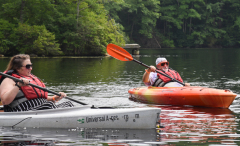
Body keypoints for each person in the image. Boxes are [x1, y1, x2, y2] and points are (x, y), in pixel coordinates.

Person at [0, 54, 74, 112]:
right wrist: (18, 85)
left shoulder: (32, 78)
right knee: (49, 105)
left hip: (41, 108)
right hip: (22, 111)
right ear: (17, 68)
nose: (31, 68)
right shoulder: (9, 80)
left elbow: (37, 97)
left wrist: (54, 98)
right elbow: (5, 101)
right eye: (28, 66)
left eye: (31, 65)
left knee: (68, 104)